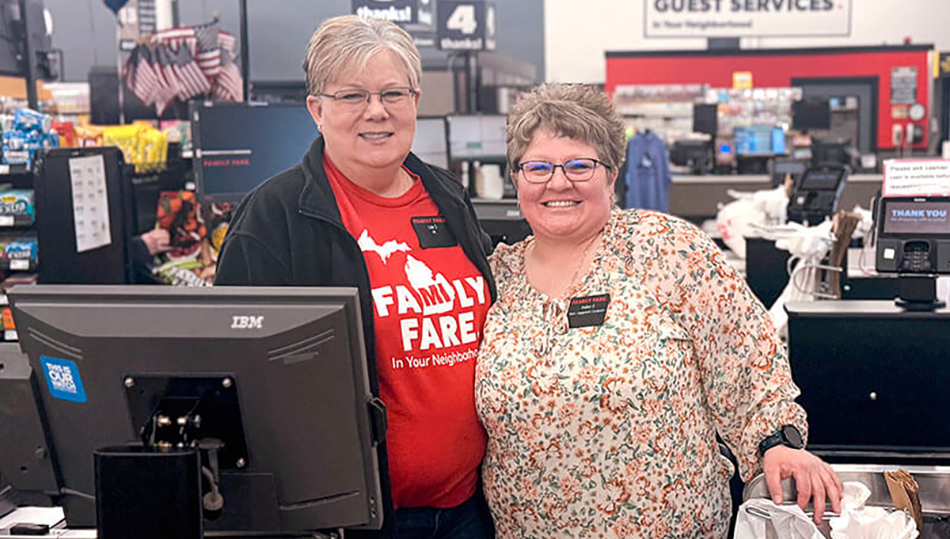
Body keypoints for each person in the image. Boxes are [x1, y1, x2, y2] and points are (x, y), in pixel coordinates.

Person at [474, 83, 841, 539]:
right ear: (516, 179)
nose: (558, 182)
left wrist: (775, 443)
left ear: (611, 175)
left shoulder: (665, 250)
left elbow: (747, 358)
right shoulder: (492, 277)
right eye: (538, 167)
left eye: (579, 165)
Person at [215, 15, 496, 539]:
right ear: (316, 110)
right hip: (353, 522)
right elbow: (238, 385)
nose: (376, 111)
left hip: (469, 511)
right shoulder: (273, 219)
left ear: (415, 99)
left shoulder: (447, 195)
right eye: (352, 96)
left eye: (393, 92)